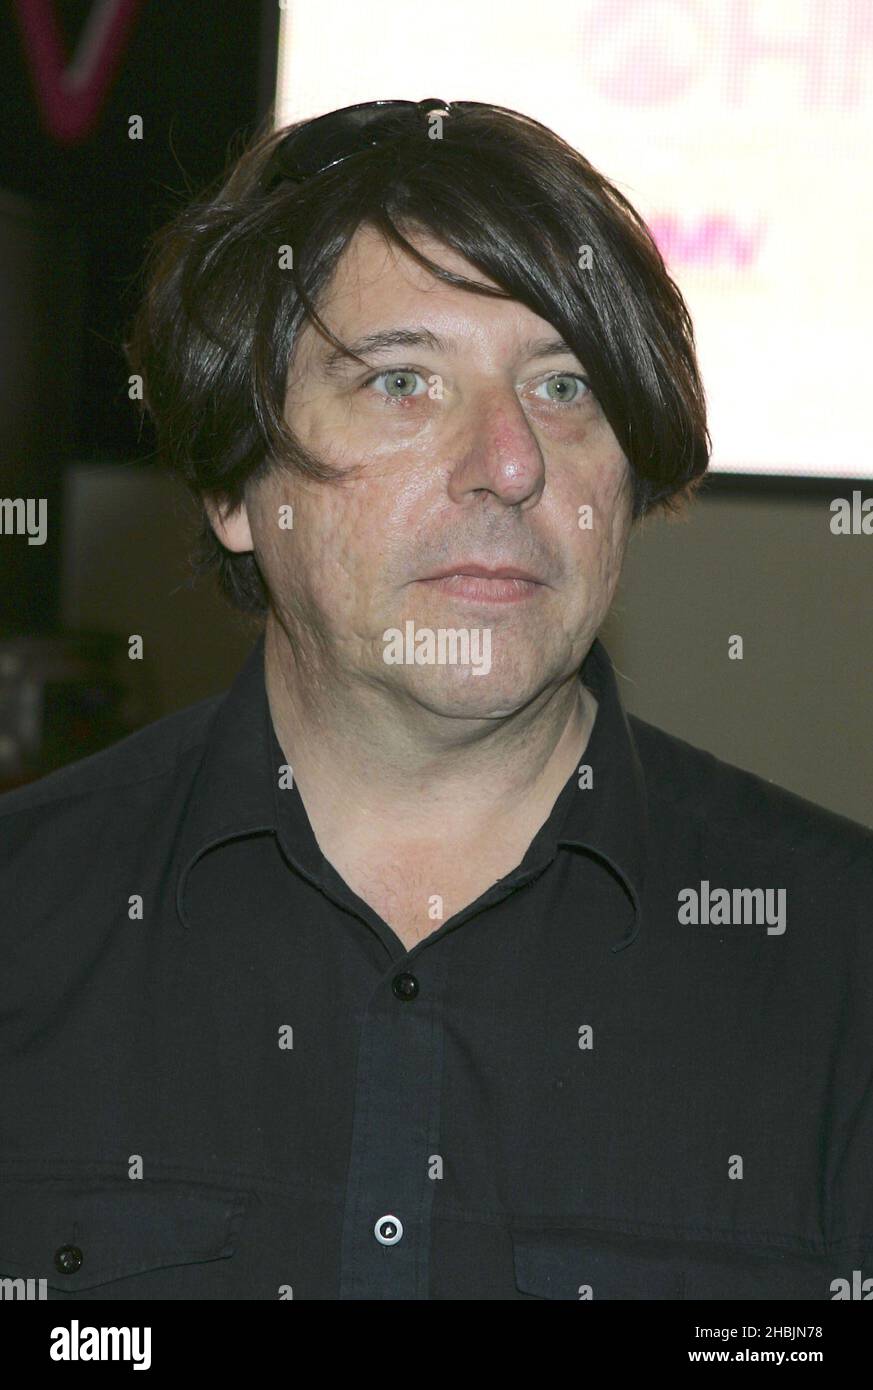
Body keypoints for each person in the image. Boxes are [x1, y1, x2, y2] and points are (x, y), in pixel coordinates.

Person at [1, 100, 870, 1301]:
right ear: (234, 484)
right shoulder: (28, 925)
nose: (512, 460)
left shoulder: (840, 967)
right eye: (403, 380)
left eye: (565, 386)